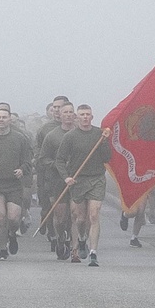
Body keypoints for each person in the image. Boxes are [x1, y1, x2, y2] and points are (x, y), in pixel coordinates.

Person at [55, 104, 111, 267]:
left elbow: (107, 158)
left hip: (96, 179)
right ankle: (81, 239)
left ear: (92, 117)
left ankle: (93, 253)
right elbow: (60, 160)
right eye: (82, 114)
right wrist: (66, 178)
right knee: (79, 219)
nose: (85, 117)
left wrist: (105, 142)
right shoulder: (70, 137)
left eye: (88, 114)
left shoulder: (99, 134)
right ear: (76, 118)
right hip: (78, 180)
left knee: (93, 215)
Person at [0, 109, 33, 260]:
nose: (1, 120)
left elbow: (28, 161)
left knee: (13, 218)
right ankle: (1, 248)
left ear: (10, 119)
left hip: (14, 184)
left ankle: (12, 234)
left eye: (4, 117)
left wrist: (22, 169)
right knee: (0, 216)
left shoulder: (19, 139)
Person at [38, 101, 76, 259]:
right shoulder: (51, 135)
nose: (68, 115)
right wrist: (56, 165)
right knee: (60, 217)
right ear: (59, 115)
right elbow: (43, 158)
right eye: (64, 112)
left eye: (70, 112)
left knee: (75, 214)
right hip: (56, 180)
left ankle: (76, 244)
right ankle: (60, 237)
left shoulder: (80, 132)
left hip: (77, 179)